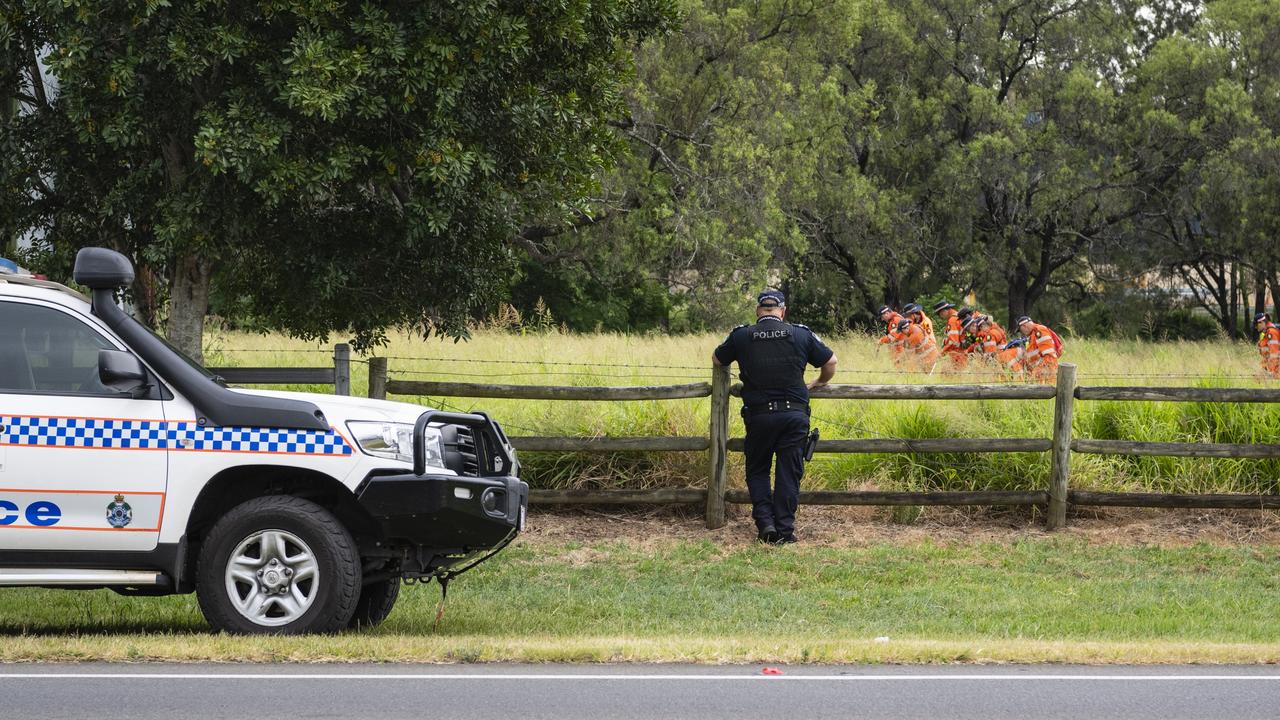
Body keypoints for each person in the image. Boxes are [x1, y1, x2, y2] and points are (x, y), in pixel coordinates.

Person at [713, 289, 837, 544]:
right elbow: (831, 361)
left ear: (759, 311)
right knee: (788, 473)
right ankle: (785, 530)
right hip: (794, 415)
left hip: (759, 416)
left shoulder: (742, 335)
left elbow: (717, 359)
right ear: (782, 311)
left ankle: (766, 524)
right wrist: (818, 382)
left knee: (757, 470)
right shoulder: (801, 333)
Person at [1016, 315, 1062, 382]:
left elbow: (1049, 356)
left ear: (1024, 326)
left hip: (1046, 374)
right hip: (1040, 375)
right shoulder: (1033, 335)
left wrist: (1035, 373)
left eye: (1020, 330)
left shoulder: (1039, 331)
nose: (1022, 333)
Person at [933, 300, 966, 371]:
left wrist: (942, 353)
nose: (941, 317)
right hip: (963, 352)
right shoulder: (958, 317)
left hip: (958, 354)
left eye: (940, 314)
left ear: (944, 311)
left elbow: (952, 342)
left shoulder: (952, 320)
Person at [1257, 312, 1280, 378]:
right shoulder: (1265, 333)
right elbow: (1266, 355)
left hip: (1276, 372)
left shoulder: (1271, 332)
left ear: (1262, 322)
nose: (1255, 326)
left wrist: (1271, 372)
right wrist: (1262, 369)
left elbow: (1274, 355)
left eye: (1257, 324)